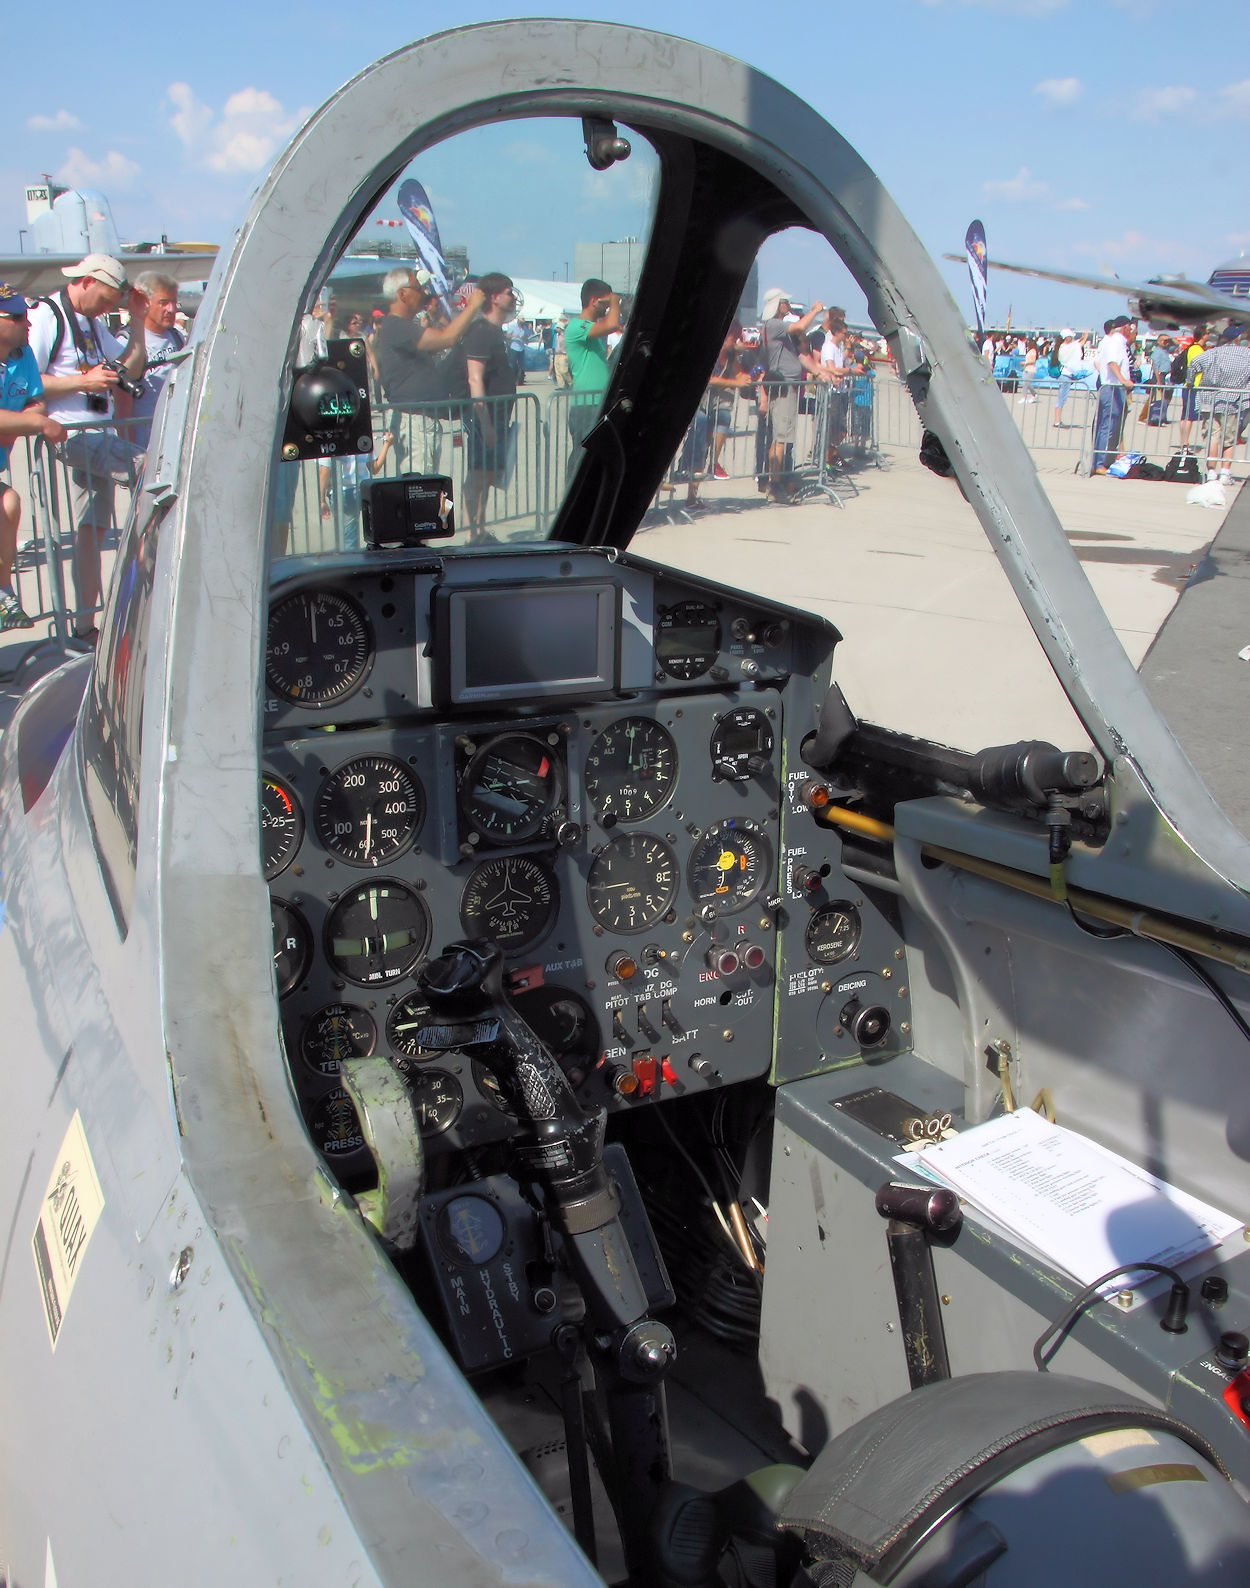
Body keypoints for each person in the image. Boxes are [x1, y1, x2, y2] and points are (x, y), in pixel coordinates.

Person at [26, 253, 149, 638]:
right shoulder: (47, 316)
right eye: (106, 300)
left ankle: (85, 625)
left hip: (102, 432)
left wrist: (138, 323)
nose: (108, 308)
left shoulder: (93, 324)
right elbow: (29, 381)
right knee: (148, 467)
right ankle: (146, 582)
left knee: (91, 530)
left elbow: (132, 369)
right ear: (85, 282)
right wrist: (83, 383)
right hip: (71, 433)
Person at [0, 284, 68, 629]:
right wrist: (32, 422)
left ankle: (2, 592)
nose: (28, 323)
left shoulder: (22, 354)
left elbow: (37, 401)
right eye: (16, 317)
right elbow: (35, 415)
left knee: (9, 504)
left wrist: (27, 420)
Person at [373, 266, 483, 472]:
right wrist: (472, 307)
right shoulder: (397, 326)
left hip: (421, 418)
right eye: (418, 287)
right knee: (419, 489)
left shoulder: (401, 326)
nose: (424, 293)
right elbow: (446, 338)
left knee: (429, 487)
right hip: (414, 420)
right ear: (402, 294)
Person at [460, 273, 518, 541]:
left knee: (486, 477)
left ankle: (479, 533)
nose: (513, 296)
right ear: (494, 297)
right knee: (476, 477)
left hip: (496, 418)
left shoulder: (494, 332)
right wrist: (486, 425)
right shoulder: (481, 330)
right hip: (484, 418)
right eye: (509, 291)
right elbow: (475, 378)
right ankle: (471, 536)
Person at [758, 287, 824, 502]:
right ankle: (775, 485)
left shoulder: (772, 326)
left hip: (783, 386)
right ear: (777, 304)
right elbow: (800, 327)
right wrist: (814, 311)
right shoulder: (776, 325)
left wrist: (818, 372)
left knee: (779, 439)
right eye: (785, 301)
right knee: (781, 439)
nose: (788, 305)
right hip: (785, 387)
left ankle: (773, 482)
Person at [126, 272, 185, 449]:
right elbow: (123, 407)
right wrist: (131, 452)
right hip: (145, 444)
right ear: (145, 303)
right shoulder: (127, 342)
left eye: (174, 302)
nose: (172, 309)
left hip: (174, 439)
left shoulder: (177, 337)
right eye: (163, 302)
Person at [1186, 325, 1250, 483]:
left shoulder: (1213, 352)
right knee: (1228, 439)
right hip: (1234, 400)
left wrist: (1190, 383)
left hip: (1209, 398)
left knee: (1212, 437)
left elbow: (1194, 363)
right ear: (1238, 339)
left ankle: (1211, 472)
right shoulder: (1247, 354)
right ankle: (1225, 472)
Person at [565, 278, 621, 453]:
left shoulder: (592, 331)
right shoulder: (576, 325)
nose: (607, 308)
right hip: (585, 403)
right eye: (605, 302)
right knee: (581, 454)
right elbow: (612, 324)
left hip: (597, 400)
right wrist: (614, 301)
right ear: (594, 301)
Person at [1090, 315, 1134, 474]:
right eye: (1130, 328)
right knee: (1107, 426)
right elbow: (1111, 362)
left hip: (1115, 388)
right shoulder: (1115, 342)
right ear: (1124, 328)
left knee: (1111, 427)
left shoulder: (1116, 342)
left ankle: (1103, 460)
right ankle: (1099, 463)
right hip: (1112, 388)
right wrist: (1123, 380)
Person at [1053, 330, 1083, 429]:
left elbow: (1077, 344)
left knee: (1061, 398)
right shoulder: (1066, 348)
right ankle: (1057, 420)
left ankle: (1057, 420)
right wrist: (1084, 337)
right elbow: (1078, 345)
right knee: (1062, 398)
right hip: (1066, 375)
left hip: (1064, 375)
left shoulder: (1061, 347)